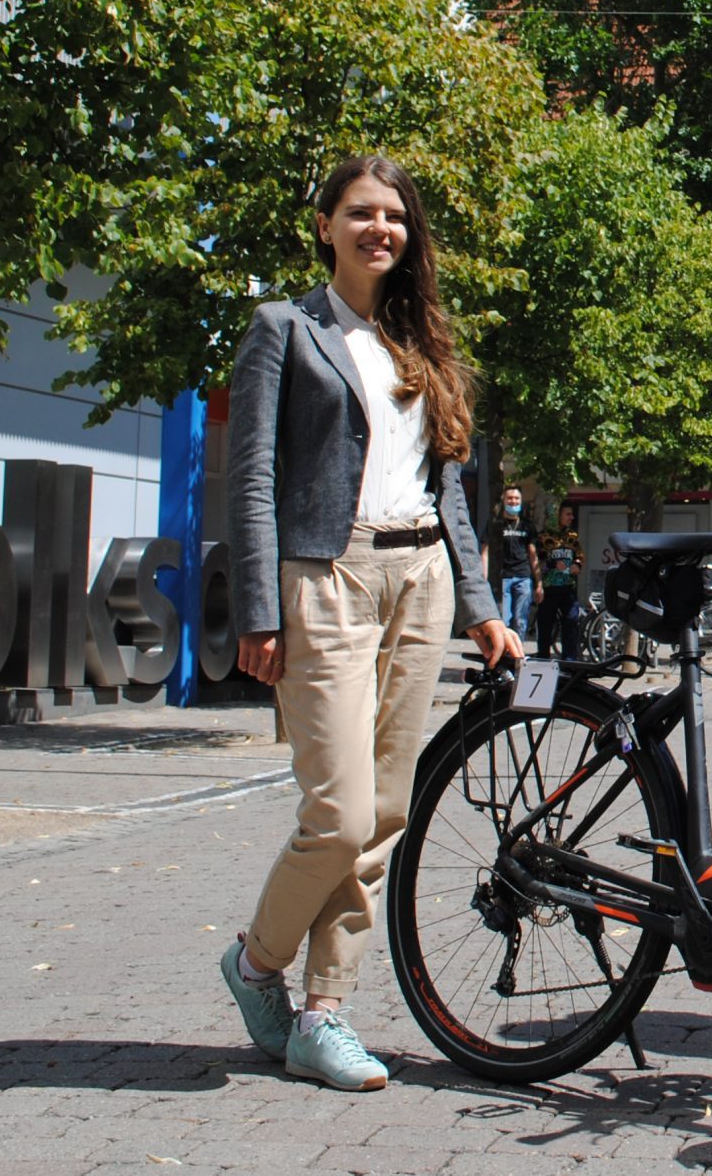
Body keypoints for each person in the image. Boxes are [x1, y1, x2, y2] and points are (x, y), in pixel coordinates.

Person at [218, 155, 522, 1090]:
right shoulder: (285, 330)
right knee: (339, 813)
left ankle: (324, 1014)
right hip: (329, 575)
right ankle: (256, 963)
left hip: (421, 577)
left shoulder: (422, 343)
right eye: (360, 213)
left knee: (386, 813)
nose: (378, 229)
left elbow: (451, 487)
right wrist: (259, 612)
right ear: (325, 226)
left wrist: (478, 606)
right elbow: (252, 479)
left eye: (392, 216)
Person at [486, 485, 537, 643]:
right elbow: (484, 550)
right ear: (504, 499)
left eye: (516, 498)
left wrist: (539, 583)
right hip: (503, 578)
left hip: (523, 578)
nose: (513, 501)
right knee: (504, 621)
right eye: (510, 498)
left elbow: (533, 555)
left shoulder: (527, 526)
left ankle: (517, 656)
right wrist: (484, 577)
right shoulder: (495, 523)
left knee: (520, 621)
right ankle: (503, 655)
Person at [539, 501, 583, 657]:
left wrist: (577, 565)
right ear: (557, 515)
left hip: (569, 589)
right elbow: (537, 562)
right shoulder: (543, 537)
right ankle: (543, 659)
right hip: (549, 589)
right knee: (546, 626)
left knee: (571, 624)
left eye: (572, 514)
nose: (571, 517)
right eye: (567, 514)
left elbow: (579, 556)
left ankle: (569, 661)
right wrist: (552, 564)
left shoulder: (573, 536)